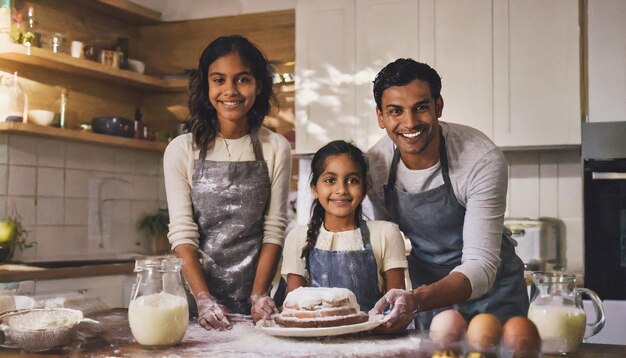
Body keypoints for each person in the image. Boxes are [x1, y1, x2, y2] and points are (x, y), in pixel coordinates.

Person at [366, 58, 528, 333]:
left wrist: (416, 299)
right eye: (396, 111)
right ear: (381, 117)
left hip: (494, 296)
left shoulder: (480, 158)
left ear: (438, 106)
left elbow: (481, 264)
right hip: (429, 300)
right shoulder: (376, 166)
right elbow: (382, 246)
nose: (410, 122)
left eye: (421, 107)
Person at [163, 35, 292, 330]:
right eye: (219, 80)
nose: (230, 90)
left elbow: (274, 230)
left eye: (242, 79)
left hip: (256, 307)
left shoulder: (275, 147)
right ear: (207, 86)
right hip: (195, 303)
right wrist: (204, 300)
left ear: (258, 85)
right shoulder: (182, 150)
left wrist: (258, 296)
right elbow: (182, 234)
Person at [280, 140, 408, 317]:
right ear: (314, 189)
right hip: (314, 339)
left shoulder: (386, 233)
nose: (341, 189)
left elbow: (396, 308)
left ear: (364, 190)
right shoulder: (298, 237)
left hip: (373, 339)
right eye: (330, 180)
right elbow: (294, 309)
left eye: (352, 180)